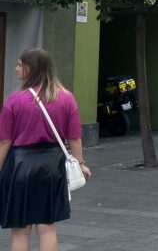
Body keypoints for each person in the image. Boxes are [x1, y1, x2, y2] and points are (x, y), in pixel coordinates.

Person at [0, 48, 92, 251]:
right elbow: (74, 137)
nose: (16, 69)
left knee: (20, 229)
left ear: (30, 68)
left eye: (19, 64)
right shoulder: (67, 98)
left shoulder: (14, 100)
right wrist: (81, 164)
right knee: (47, 228)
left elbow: (4, 142)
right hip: (52, 167)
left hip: (20, 167)